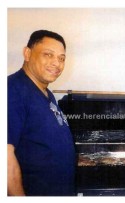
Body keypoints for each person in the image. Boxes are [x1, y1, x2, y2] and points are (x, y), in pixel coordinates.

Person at [7, 30, 76, 196]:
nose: (56, 63)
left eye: (61, 58)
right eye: (48, 55)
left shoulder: (46, 93)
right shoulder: (12, 90)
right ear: (27, 53)